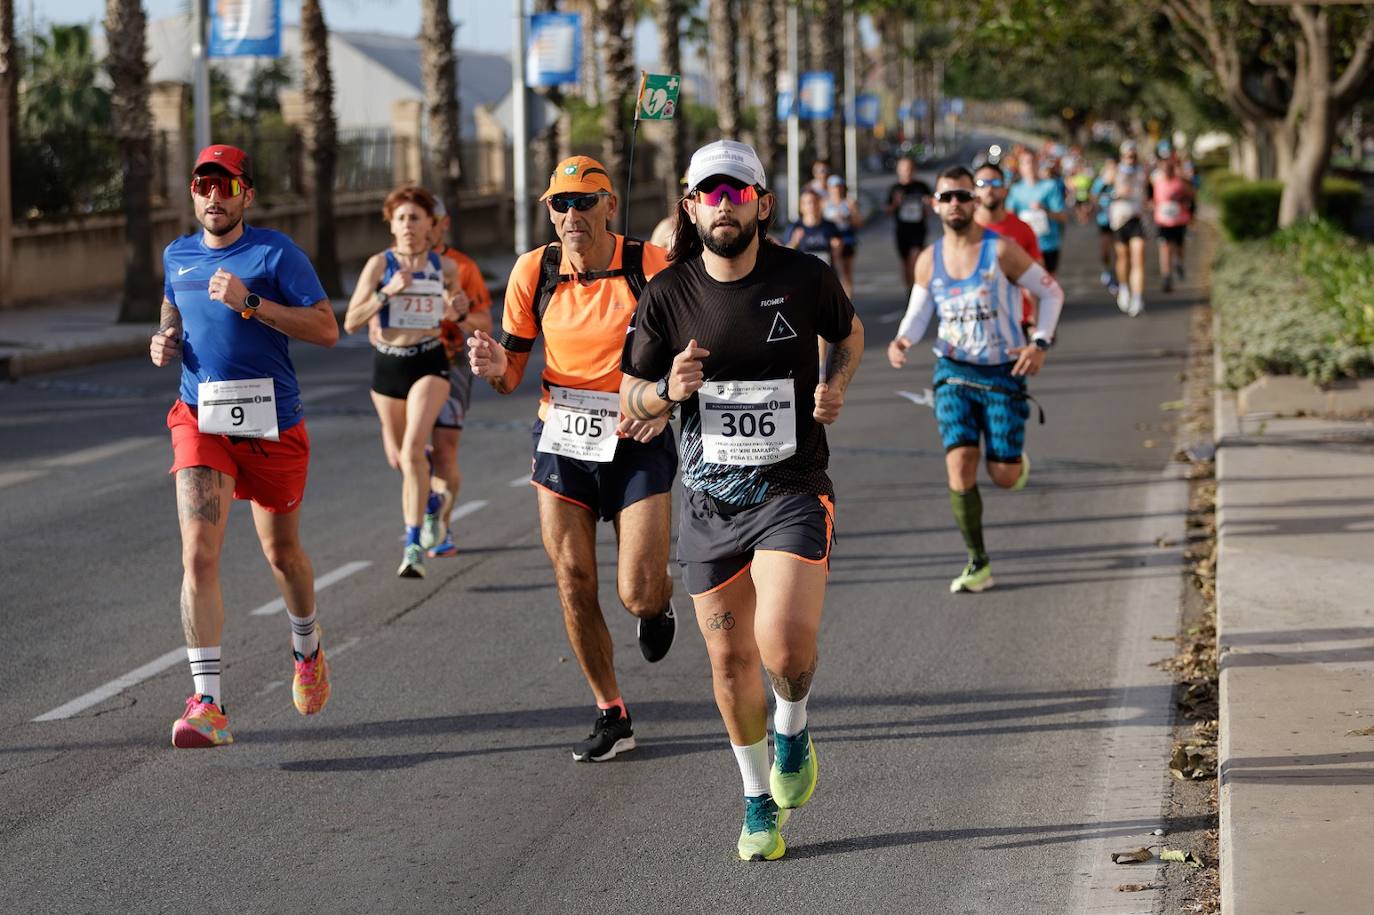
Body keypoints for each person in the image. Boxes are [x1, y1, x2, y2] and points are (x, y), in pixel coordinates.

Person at [620, 139, 865, 862]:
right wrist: (668, 389)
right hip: (708, 504)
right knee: (729, 663)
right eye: (708, 194)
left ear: (762, 201)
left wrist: (836, 383)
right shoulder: (667, 294)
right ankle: (758, 800)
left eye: (737, 192)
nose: (723, 205)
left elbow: (848, 334)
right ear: (690, 207)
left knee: (784, 644)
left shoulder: (803, 276)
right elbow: (628, 392)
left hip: (790, 489)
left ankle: (793, 720)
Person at [466, 155, 677, 762]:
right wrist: (491, 368)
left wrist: (663, 404)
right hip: (563, 440)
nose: (571, 215)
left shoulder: (648, 266)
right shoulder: (535, 271)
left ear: (610, 205)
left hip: (638, 438)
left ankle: (658, 604)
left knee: (636, 591)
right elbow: (510, 373)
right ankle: (611, 711)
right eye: (560, 204)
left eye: (584, 202)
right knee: (572, 577)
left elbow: (694, 346)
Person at [150, 144, 339, 748]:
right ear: (193, 194)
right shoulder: (177, 254)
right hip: (200, 419)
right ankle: (207, 703)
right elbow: (172, 302)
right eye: (204, 186)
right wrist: (167, 335)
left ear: (245, 195)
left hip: (272, 424)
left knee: (282, 554)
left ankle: (306, 647)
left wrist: (252, 304)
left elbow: (327, 329)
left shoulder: (274, 253)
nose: (213, 196)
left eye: (225, 186)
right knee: (198, 554)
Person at [886, 166, 1065, 595]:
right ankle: (978, 561)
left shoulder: (1000, 251)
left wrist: (1038, 343)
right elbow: (920, 308)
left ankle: (1013, 463)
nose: (954, 205)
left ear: (974, 201)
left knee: (1002, 474)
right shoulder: (929, 260)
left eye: (962, 196)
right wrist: (903, 339)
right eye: (946, 197)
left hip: (1003, 370)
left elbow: (1051, 292)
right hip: (953, 371)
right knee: (959, 463)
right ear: (935, 205)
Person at [344, 185, 468, 579]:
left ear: (431, 226)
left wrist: (457, 309)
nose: (409, 226)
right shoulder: (379, 266)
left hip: (429, 362)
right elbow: (350, 321)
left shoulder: (444, 267)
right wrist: (386, 293)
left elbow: (457, 308)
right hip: (388, 367)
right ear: (391, 226)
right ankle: (431, 501)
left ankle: (412, 543)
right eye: (401, 219)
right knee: (399, 457)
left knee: (414, 449)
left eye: (416, 218)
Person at [424, 198, 494, 556]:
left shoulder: (463, 268)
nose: (420, 226)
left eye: (428, 219)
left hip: (450, 363)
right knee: (411, 454)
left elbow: (485, 324)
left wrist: (458, 317)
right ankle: (423, 498)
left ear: (442, 223)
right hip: (404, 367)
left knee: (444, 451)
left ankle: (441, 528)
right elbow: (371, 318)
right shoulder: (390, 264)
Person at [972, 161, 1043, 336]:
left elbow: (1036, 276)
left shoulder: (1022, 228)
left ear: (1004, 190)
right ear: (974, 191)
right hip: (975, 321)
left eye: (995, 183)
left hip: (1017, 320)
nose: (989, 189)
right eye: (982, 184)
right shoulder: (965, 230)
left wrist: (1037, 317)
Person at [1007, 151, 1067, 275]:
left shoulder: (1050, 186)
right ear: (1020, 167)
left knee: (1049, 286)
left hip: (1048, 244)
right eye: (1026, 162)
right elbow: (1009, 216)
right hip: (1024, 245)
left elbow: (1062, 216)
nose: (1030, 166)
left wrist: (1044, 210)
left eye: (1033, 162)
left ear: (1038, 164)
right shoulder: (1016, 190)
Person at [1110, 140, 1149, 316]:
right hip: (1119, 221)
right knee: (1123, 258)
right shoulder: (1114, 171)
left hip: (1136, 219)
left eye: (1133, 155)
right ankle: (1124, 288)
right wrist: (1116, 193)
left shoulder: (1142, 172)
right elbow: (1098, 192)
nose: (1131, 158)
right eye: (1128, 155)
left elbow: (1149, 193)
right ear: (1122, 156)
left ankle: (1137, 297)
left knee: (1138, 258)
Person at [885, 156, 932, 286]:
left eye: (910, 168)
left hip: (918, 230)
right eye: (904, 168)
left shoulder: (921, 187)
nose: (907, 171)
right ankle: (909, 290)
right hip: (902, 231)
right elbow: (887, 211)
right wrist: (895, 203)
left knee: (914, 260)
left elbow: (931, 208)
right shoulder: (895, 189)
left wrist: (927, 205)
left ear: (914, 169)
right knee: (906, 264)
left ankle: (917, 289)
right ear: (898, 170)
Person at [1151, 155, 1194, 292]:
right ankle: (1166, 277)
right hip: (1163, 221)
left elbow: (1191, 196)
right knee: (1165, 248)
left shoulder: (1180, 182)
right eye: (1165, 167)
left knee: (1179, 248)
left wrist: (1184, 202)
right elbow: (1149, 197)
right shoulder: (1156, 181)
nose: (1167, 170)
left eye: (1170, 167)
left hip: (1179, 220)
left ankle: (1179, 263)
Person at [822, 175, 863, 298]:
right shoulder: (824, 204)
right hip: (831, 241)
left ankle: (847, 301)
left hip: (847, 239)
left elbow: (859, 222)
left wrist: (848, 217)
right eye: (833, 187)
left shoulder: (849, 203)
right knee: (831, 271)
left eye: (839, 187)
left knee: (846, 272)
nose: (836, 190)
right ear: (829, 188)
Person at [784, 187, 844, 270]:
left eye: (815, 202)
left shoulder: (830, 226)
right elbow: (785, 254)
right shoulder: (794, 227)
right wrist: (794, 242)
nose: (812, 206)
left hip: (824, 273)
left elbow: (837, 257)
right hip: (802, 274)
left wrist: (837, 249)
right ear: (801, 206)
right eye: (808, 203)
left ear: (820, 204)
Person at [1090, 157, 1120, 296]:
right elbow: (1093, 199)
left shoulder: (1120, 181)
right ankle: (1107, 270)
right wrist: (1104, 185)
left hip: (1119, 220)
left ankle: (1116, 276)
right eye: (1109, 167)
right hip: (1104, 220)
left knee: (1118, 250)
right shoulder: (1100, 182)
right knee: (1105, 250)